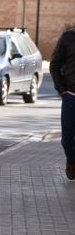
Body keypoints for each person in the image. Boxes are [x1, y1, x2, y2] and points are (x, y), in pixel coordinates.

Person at [50, 26, 75, 180]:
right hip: (70, 97)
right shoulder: (67, 38)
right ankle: (72, 160)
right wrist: (62, 90)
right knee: (66, 139)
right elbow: (54, 65)